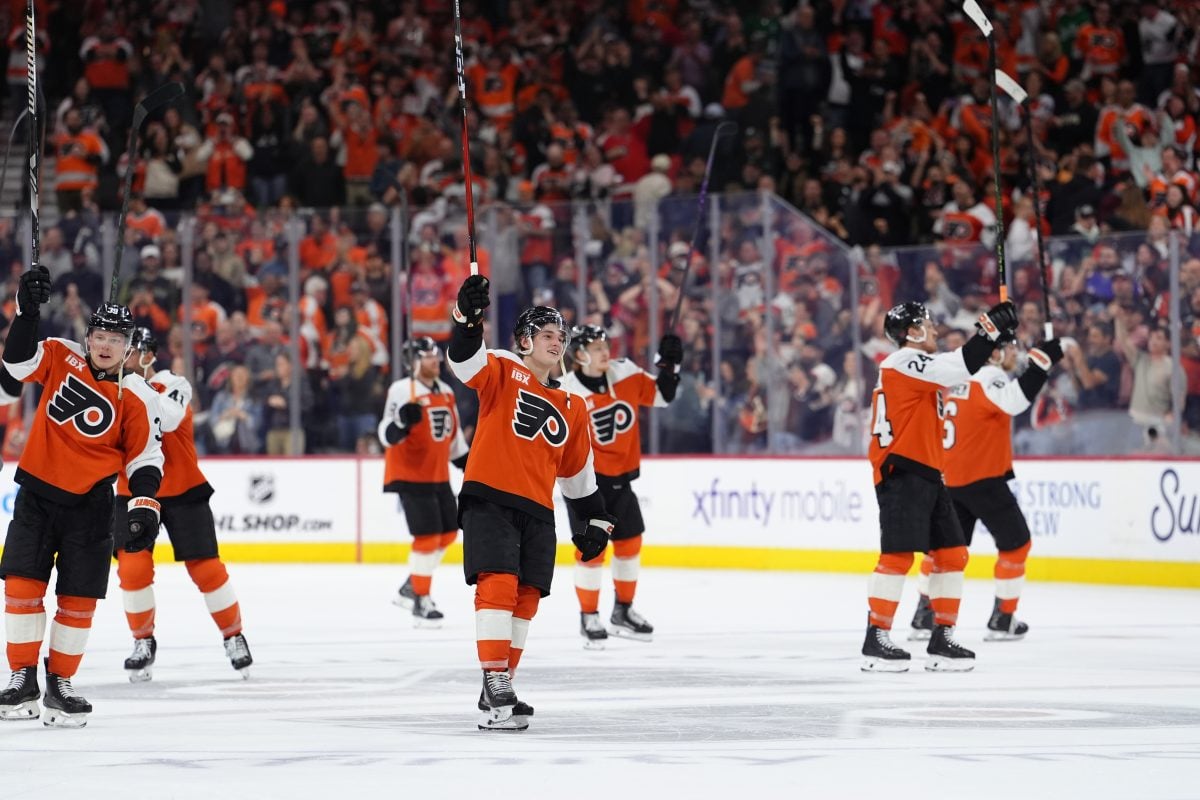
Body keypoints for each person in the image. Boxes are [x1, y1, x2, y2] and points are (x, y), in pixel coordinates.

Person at [447, 275, 615, 731]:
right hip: (491, 497)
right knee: (498, 584)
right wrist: (467, 317)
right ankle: (495, 675)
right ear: (524, 341)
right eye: (546, 335)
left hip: (539, 510)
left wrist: (596, 518)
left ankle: (500, 686)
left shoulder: (573, 405)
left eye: (561, 336)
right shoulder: (502, 367)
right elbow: (465, 362)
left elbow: (578, 473)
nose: (556, 342)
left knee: (525, 599)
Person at [0, 267, 163, 727]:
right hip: (36, 496)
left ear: (129, 346)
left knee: (77, 600)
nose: (105, 344)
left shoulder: (137, 396)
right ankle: (22, 680)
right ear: (88, 336)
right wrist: (26, 313)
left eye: (116, 337)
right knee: (21, 590)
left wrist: (145, 505)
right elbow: (16, 365)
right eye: (99, 334)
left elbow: (145, 458)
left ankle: (61, 684)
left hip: (90, 507)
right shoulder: (58, 355)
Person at [862, 299, 1018, 673]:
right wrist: (989, 332)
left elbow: (958, 367)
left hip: (929, 472)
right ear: (912, 332)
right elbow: (958, 367)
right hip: (902, 470)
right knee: (898, 555)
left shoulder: (921, 368)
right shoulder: (900, 362)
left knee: (952, 554)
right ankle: (875, 637)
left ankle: (941, 637)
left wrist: (990, 340)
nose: (934, 331)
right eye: (928, 325)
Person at [112, 328, 252, 682]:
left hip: (182, 487)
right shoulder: (111, 389)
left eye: (129, 350)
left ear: (148, 354)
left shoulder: (174, 384)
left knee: (207, 570)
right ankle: (142, 641)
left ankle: (233, 635)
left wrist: (127, 391)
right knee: (132, 571)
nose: (123, 357)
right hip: (134, 491)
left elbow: (168, 419)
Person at [909, 335, 1067, 642]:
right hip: (982, 480)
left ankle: (923, 614)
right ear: (995, 354)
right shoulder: (989, 377)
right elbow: (1014, 402)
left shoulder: (958, 381)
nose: (1015, 354)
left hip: (950, 481)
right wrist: (1040, 365)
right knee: (1017, 543)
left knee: (944, 551)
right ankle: (1002, 618)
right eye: (1010, 347)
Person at [558, 324, 682, 648]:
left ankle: (623, 611)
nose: (605, 352)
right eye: (596, 347)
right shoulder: (565, 389)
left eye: (605, 345)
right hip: (586, 487)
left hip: (622, 482)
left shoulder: (623, 372)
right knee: (591, 551)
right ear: (580, 354)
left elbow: (662, 395)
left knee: (629, 545)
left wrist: (671, 366)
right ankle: (589, 616)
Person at [378, 336, 469, 627]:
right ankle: (421, 599)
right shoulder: (402, 390)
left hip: (437, 475)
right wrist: (402, 421)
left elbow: (455, 442)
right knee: (427, 537)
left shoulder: (446, 391)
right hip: (409, 474)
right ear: (414, 362)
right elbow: (386, 434)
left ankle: (411, 586)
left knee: (448, 532)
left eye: (436, 356)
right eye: (429, 357)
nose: (436, 361)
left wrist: (473, 468)